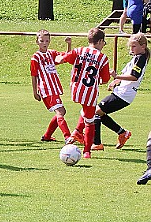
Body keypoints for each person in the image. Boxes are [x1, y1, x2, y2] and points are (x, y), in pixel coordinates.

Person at [56, 28, 110, 158]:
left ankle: (77, 132)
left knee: (85, 113)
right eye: (104, 42)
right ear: (100, 41)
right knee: (90, 121)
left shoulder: (79, 50)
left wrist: (59, 59)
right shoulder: (102, 58)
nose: (103, 45)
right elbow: (105, 79)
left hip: (75, 89)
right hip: (89, 92)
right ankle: (87, 151)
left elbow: (63, 59)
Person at [92, 33, 149, 151]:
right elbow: (126, 74)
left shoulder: (140, 59)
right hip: (122, 93)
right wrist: (116, 81)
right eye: (130, 46)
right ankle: (122, 133)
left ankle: (97, 143)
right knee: (99, 112)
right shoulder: (136, 58)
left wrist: (117, 76)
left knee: (96, 111)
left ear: (143, 46)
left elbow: (134, 77)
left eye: (134, 46)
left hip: (124, 95)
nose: (131, 49)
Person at [30, 30, 72, 143]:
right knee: (60, 112)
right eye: (42, 41)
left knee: (62, 111)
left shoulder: (51, 53)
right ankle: (68, 136)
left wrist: (69, 44)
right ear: (37, 42)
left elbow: (65, 57)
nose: (44, 43)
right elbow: (34, 75)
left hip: (54, 88)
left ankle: (47, 136)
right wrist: (35, 92)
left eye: (47, 41)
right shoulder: (35, 58)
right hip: (46, 89)